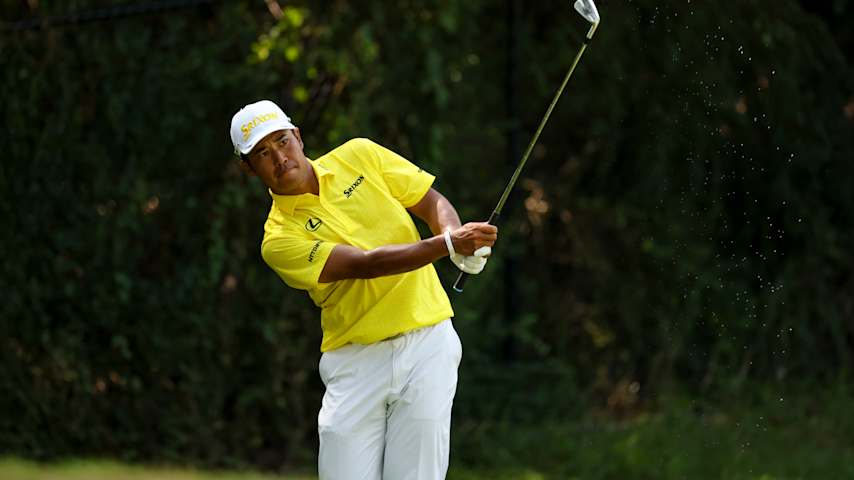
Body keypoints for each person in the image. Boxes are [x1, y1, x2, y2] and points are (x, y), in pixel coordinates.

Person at [229, 100, 498, 480]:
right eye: (262, 152)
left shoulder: (359, 155)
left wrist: (451, 233)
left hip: (428, 343)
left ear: (299, 138)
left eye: (282, 141)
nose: (279, 157)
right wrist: (448, 247)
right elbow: (364, 264)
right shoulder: (278, 239)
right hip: (354, 362)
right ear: (248, 168)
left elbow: (429, 200)